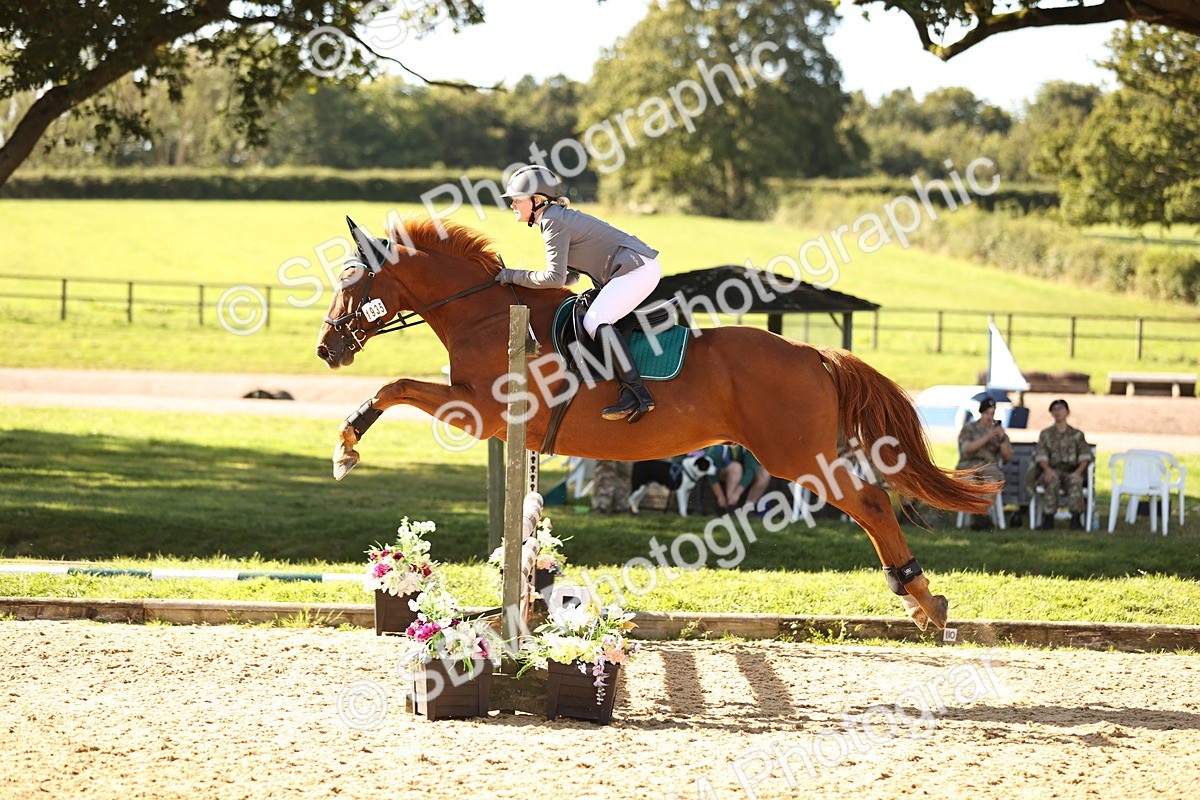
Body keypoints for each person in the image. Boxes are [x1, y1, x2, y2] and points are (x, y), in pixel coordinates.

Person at [495, 164, 663, 423]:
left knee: (594, 321)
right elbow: (570, 276)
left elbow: (555, 278)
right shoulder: (552, 218)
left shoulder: (553, 220)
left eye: (517, 200)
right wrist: (522, 281)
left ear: (537, 200)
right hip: (632, 267)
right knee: (591, 315)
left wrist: (512, 276)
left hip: (636, 268)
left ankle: (637, 393)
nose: (512, 205)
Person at [1024, 398, 1092, 530]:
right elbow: (1041, 456)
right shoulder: (1046, 434)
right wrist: (1048, 470)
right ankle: (1048, 520)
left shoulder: (1077, 435)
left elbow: (1085, 457)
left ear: (1067, 412)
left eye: (1060, 408)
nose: (1058, 412)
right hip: (1053, 470)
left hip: (1072, 470)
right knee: (1052, 480)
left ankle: (1076, 520)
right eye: (1054, 409)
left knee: (1075, 481)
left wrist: (1078, 473)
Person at [955, 397, 1013, 530]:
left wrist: (1002, 438)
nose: (989, 416)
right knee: (971, 484)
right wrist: (987, 437)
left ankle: (979, 516)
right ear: (981, 412)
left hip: (989, 467)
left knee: (992, 485)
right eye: (987, 413)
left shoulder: (999, 431)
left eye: (992, 413)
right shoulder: (969, 428)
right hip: (968, 466)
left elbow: (1008, 456)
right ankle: (982, 518)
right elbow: (967, 449)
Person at [702, 444, 771, 515]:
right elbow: (711, 474)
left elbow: (750, 471)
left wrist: (737, 493)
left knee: (764, 474)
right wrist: (720, 496)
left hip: (743, 472)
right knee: (736, 468)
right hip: (724, 472)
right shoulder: (716, 448)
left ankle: (748, 509)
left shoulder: (747, 444)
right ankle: (730, 504)